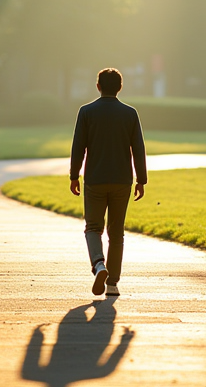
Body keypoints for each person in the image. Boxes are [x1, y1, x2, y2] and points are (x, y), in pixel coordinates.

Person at [69, 67, 147, 297]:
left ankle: (99, 265)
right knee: (117, 232)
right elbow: (138, 149)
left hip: (95, 179)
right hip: (122, 180)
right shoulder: (130, 113)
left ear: (98, 86)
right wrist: (141, 180)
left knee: (93, 227)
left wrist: (74, 176)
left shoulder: (86, 112)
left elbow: (78, 148)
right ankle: (112, 283)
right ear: (120, 87)